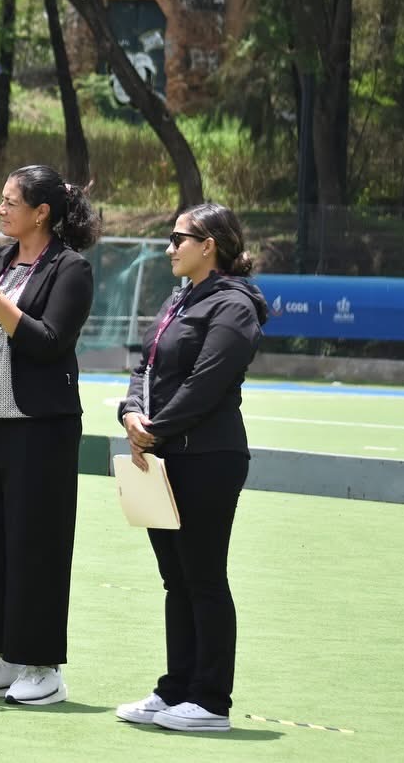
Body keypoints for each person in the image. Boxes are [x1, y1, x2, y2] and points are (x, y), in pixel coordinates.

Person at [0, 165, 98, 706]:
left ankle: (42, 666)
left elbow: (49, 342)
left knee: (37, 545)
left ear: (41, 213)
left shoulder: (71, 268)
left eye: (11, 202)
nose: (1, 209)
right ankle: (6, 657)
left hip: (39, 428)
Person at [115, 203, 266, 733]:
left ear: (209, 245)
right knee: (175, 579)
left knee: (203, 577)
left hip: (208, 458)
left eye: (179, 238)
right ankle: (175, 689)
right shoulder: (180, 298)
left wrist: (153, 429)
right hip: (164, 457)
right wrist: (131, 412)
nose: (169, 247)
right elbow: (146, 366)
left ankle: (210, 701)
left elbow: (208, 381)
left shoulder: (235, 305)